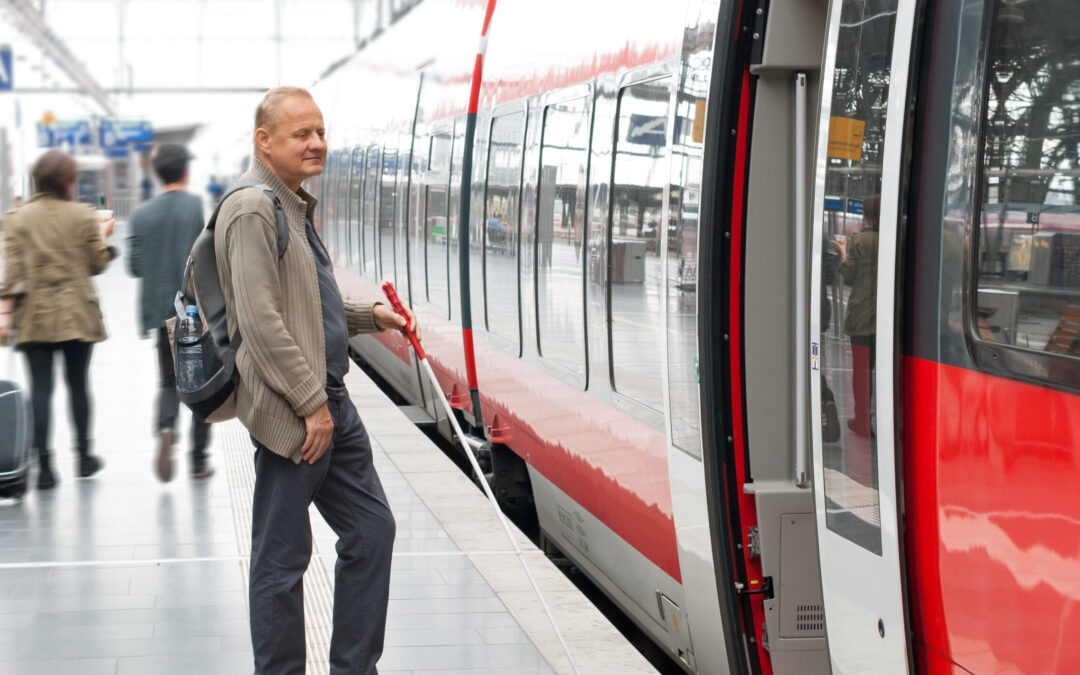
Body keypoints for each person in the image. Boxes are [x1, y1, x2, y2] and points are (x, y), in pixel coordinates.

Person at [216, 86, 417, 674]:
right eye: (301, 133)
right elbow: (260, 320)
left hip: (331, 401)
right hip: (294, 411)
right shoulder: (253, 208)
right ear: (264, 140)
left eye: (321, 132)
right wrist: (310, 404)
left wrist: (367, 317)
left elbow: (305, 305)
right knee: (281, 560)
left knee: (372, 530)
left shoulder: (291, 204)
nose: (317, 143)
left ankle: (355, 667)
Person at [0, 150, 115, 489]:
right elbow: (96, 264)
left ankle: (45, 467)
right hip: (77, 314)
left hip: (35, 316)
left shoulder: (16, 218)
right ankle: (83, 458)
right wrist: (103, 239)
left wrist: (4, 313)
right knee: (78, 385)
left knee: (40, 389)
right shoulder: (83, 215)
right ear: (68, 180)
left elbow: (10, 276)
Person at [126, 144, 213, 481]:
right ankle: (198, 460)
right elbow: (206, 257)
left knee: (167, 383)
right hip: (192, 310)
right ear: (185, 172)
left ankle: (165, 428)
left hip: (160, 314)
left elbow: (134, 267)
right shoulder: (195, 207)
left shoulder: (140, 214)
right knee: (200, 385)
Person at [832, 195, 879, 437]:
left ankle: (861, 419)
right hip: (885, 321)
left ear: (866, 215)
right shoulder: (892, 239)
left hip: (862, 318)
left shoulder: (860, 240)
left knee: (861, 372)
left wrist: (842, 252)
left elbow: (848, 275)